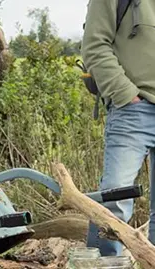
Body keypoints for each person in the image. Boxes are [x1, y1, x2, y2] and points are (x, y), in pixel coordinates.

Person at [82, 0, 155, 256]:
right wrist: (126, 95)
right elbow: (94, 46)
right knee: (113, 202)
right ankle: (103, 262)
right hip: (134, 110)